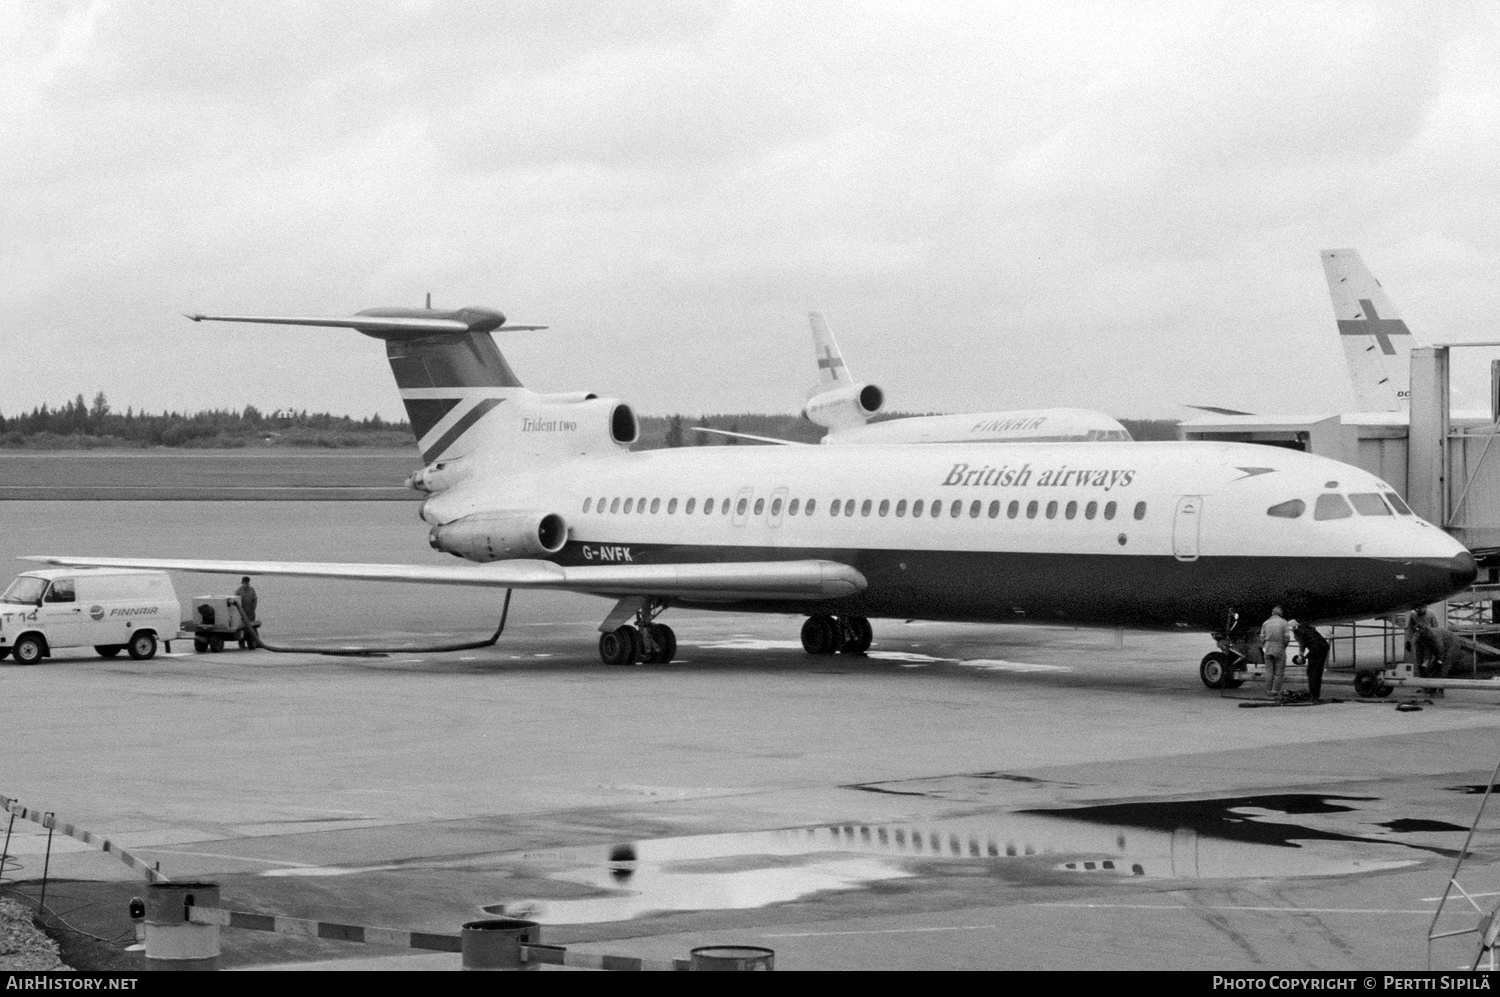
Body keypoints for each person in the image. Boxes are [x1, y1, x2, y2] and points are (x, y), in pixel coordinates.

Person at [1292, 620, 1329, 700]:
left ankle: (1313, 695)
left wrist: (1300, 656)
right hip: (1324, 648)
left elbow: (1302, 644)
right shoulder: (1309, 628)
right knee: (1318, 671)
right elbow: (1315, 643)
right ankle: (1316, 695)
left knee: (1312, 672)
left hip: (1316, 649)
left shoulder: (1298, 631)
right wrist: (1306, 657)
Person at [1261, 605, 1292, 698]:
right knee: (1279, 671)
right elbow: (1287, 637)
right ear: (1280, 613)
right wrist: (1284, 645)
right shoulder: (1284, 622)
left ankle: (1268, 690)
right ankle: (1275, 690)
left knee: (1269, 670)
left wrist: (1265, 645)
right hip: (1279, 647)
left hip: (1268, 647)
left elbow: (1262, 637)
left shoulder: (1266, 623)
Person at [234, 576, 258, 648]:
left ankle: (252, 643)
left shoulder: (252, 590)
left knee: (251, 627)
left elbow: (255, 599)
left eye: (246, 583)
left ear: (248, 583)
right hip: (241, 613)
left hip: (250, 612)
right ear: (242, 583)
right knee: (241, 628)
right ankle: (241, 643)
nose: (245, 585)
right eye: (244, 583)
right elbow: (235, 602)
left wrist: (253, 607)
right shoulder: (238, 591)